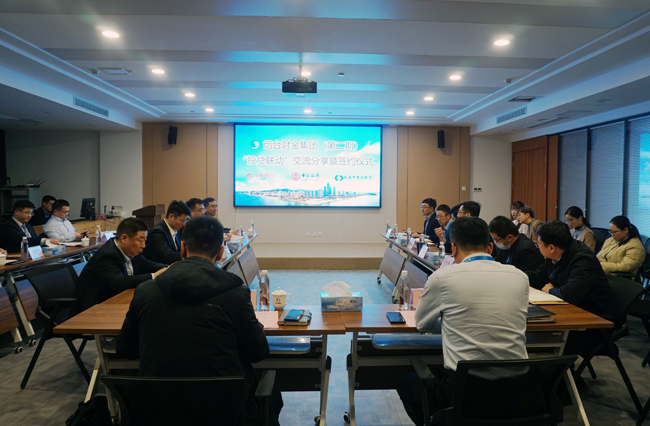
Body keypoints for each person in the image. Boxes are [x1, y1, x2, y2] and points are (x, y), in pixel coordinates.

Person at [116, 215, 282, 426]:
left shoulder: (145, 291)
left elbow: (126, 349)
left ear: (183, 248)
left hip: (159, 409)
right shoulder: (236, 292)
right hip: (223, 409)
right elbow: (257, 352)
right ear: (220, 253)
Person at [398, 217, 529, 426]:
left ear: (454, 248)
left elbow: (421, 325)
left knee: (407, 383)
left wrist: (451, 321)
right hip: (518, 389)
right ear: (490, 247)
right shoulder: (520, 277)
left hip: (465, 390)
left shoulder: (443, 277)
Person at [525, 220, 617, 354]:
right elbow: (540, 276)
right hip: (572, 313)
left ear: (551, 247)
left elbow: (568, 295)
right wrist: (516, 275)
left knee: (534, 337)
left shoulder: (583, 261)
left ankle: (558, 366)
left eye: (539, 244)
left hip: (592, 324)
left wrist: (549, 290)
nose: (538, 247)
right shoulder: (557, 254)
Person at [70, 218, 168, 316]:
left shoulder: (131, 250)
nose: (143, 246)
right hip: (92, 311)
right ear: (124, 238)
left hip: (115, 301)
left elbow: (146, 264)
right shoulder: (106, 255)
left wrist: (169, 268)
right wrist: (154, 276)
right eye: (141, 240)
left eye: (145, 241)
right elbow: (119, 282)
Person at [142, 200, 191, 264]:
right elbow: (168, 256)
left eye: (185, 221)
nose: (184, 224)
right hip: (160, 268)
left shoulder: (177, 229)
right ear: (171, 217)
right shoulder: (157, 232)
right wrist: (190, 254)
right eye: (182, 221)